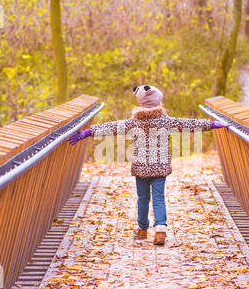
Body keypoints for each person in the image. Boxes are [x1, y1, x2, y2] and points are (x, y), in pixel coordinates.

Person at [67, 85, 228, 245]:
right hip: (160, 167)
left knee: (143, 198)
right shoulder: (166, 120)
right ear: (158, 102)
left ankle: (143, 228)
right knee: (158, 198)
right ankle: (160, 232)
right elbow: (189, 124)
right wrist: (212, 125)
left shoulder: (134, 122)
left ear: (141, 103)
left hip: (141, 167)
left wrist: (88, 132)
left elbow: (112, 127)